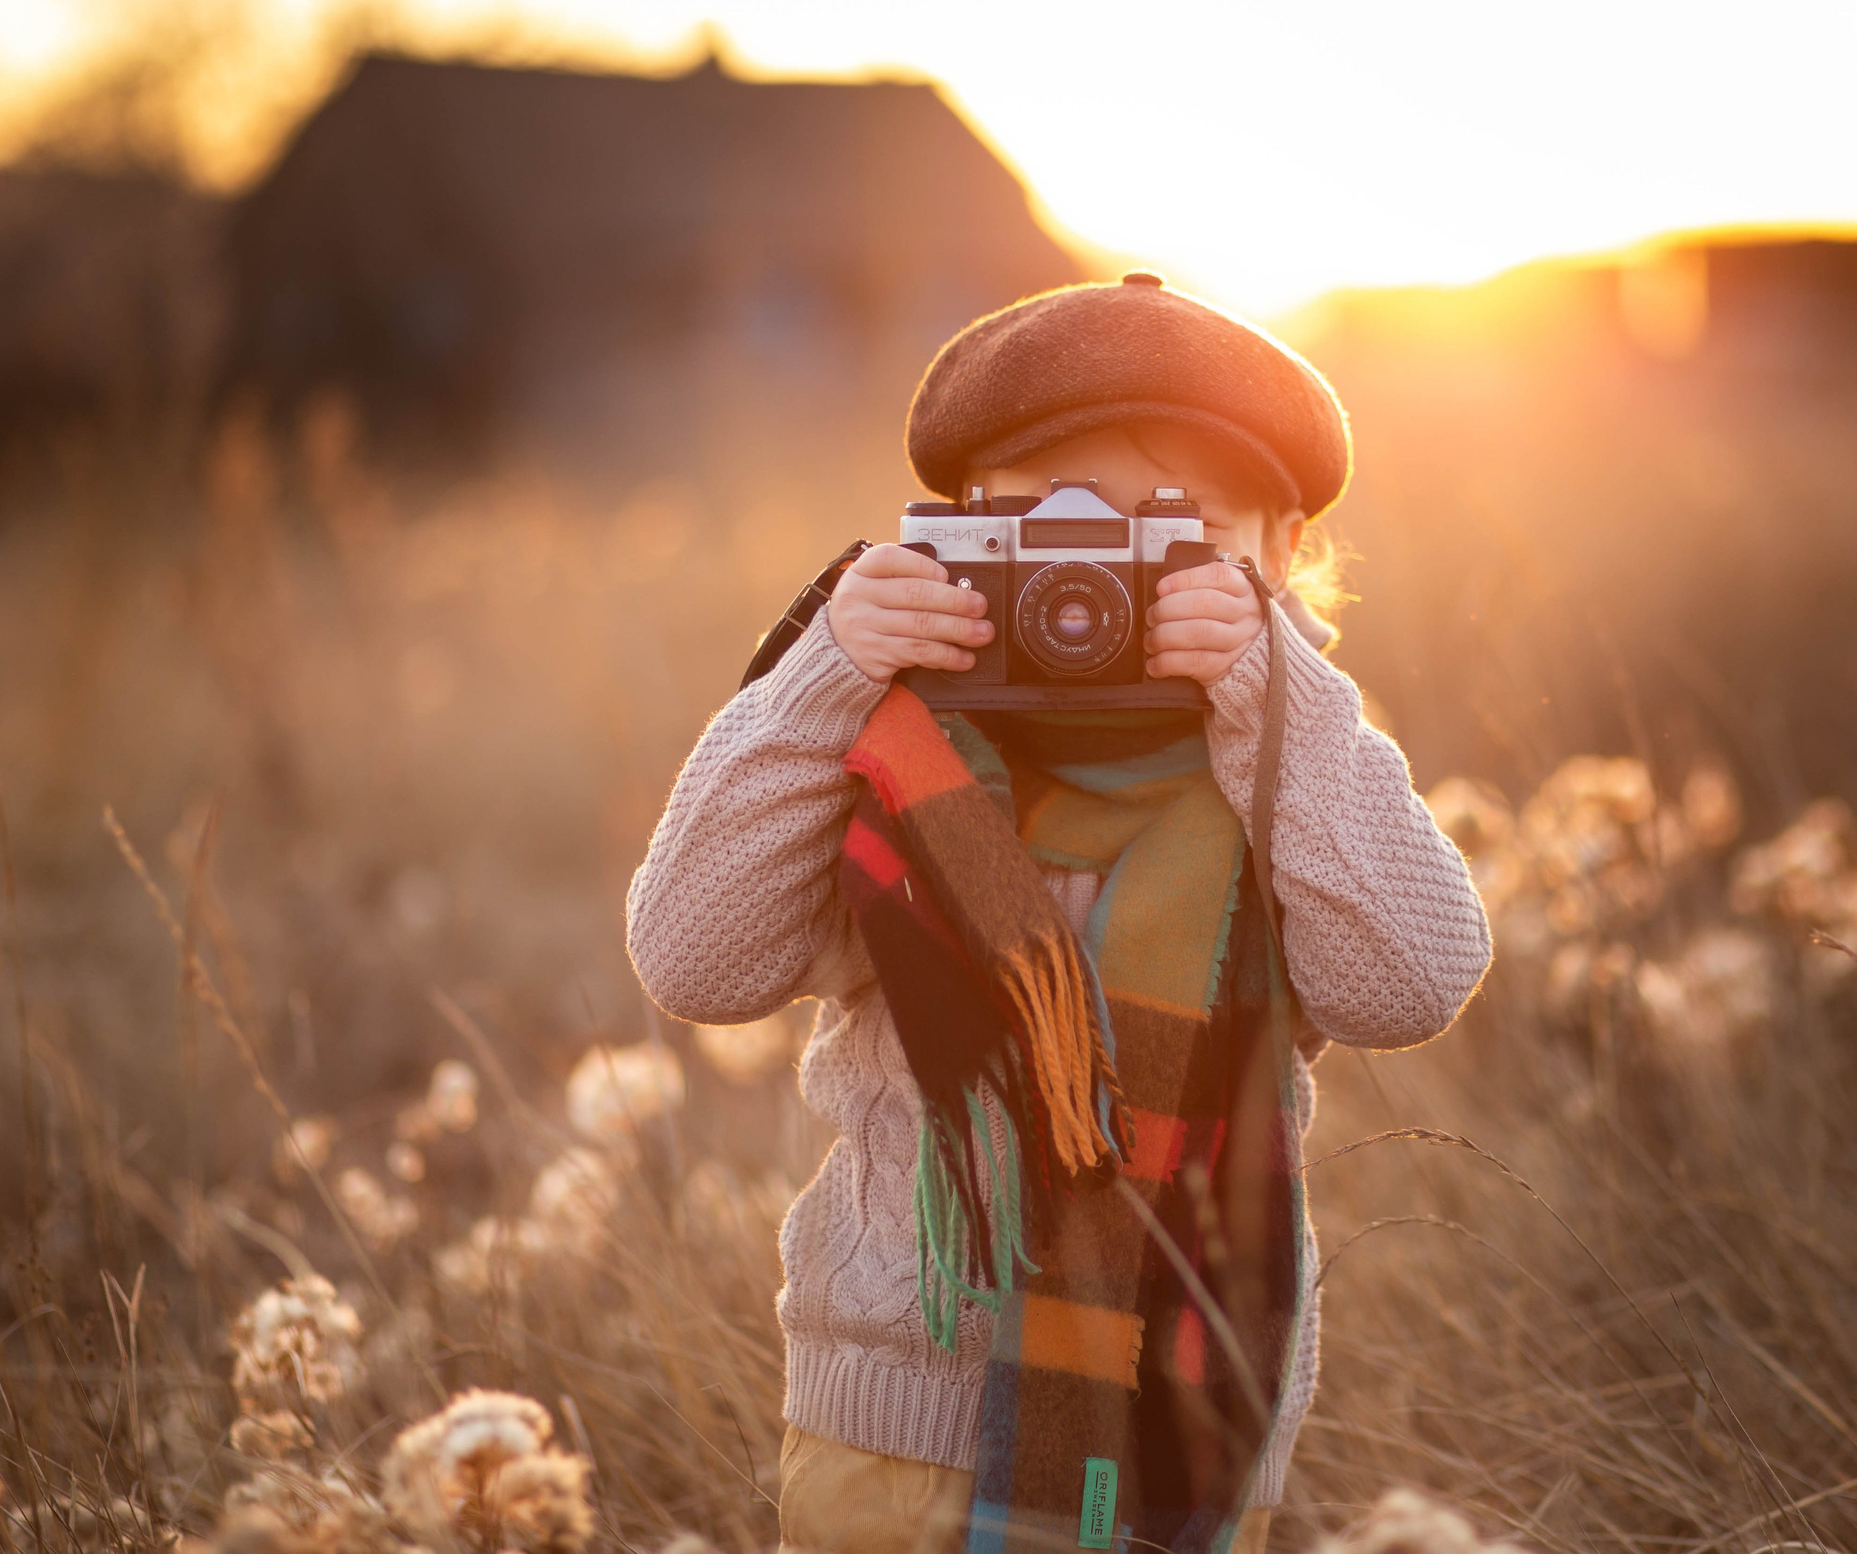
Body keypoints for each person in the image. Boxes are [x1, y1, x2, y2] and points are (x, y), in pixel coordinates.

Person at [626, 273, 1492, 1554]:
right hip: (888, 1435)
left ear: (1283, 551)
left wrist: (1276, 688)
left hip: (1192, 1435)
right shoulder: (894, 762)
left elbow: (1414, 981)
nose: (1087, 572)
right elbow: (693, 961)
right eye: (1039, 521)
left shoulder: (1287, 778)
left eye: (1165, 521)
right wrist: (826, 669)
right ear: (951, 534)